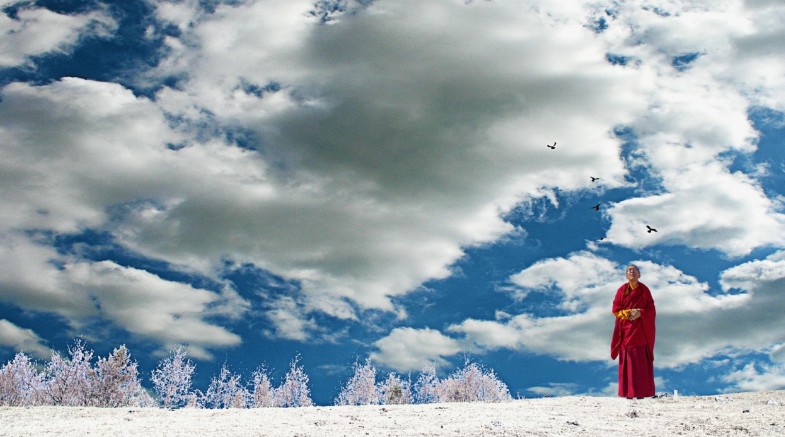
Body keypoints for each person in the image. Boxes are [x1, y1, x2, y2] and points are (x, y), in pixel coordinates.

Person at [610, 264, 656, 399]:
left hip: (640, 331)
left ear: (639, 275)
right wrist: (629, 312)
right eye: (629, 270)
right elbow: (615, 310)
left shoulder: (644, 290)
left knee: (640, 361)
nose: (631, 271)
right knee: (628, 361)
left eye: (634, 270)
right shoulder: (621, 291)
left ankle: (642, 393)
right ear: (626, 276)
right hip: (626, 331)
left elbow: (651, 310)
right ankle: (628, 393)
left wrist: (640, 312)